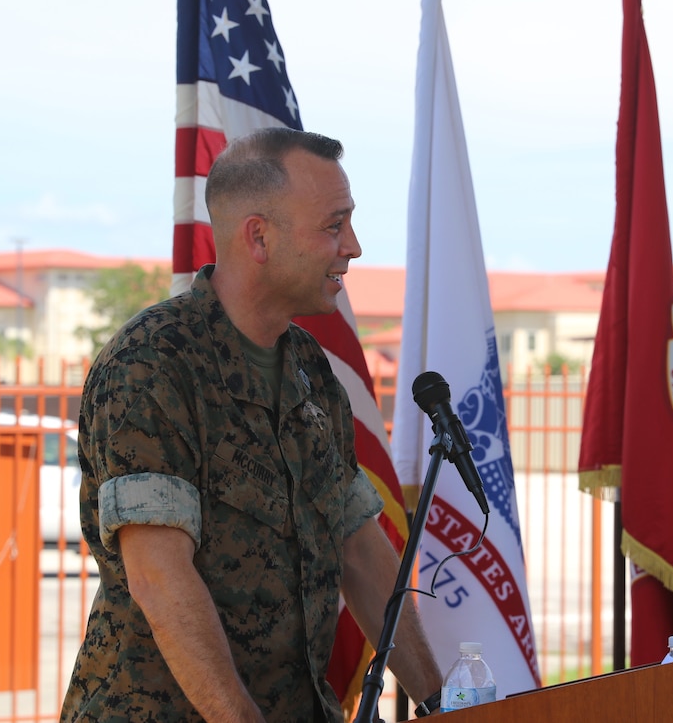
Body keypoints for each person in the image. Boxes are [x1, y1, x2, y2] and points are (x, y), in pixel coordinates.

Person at [61, 128, 444, 722]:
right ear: (259, 237)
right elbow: (160, 579)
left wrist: (445, 702)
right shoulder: (153, 362)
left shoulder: (312, 370)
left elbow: (361, 553)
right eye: (333, 226)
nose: (354, 247)